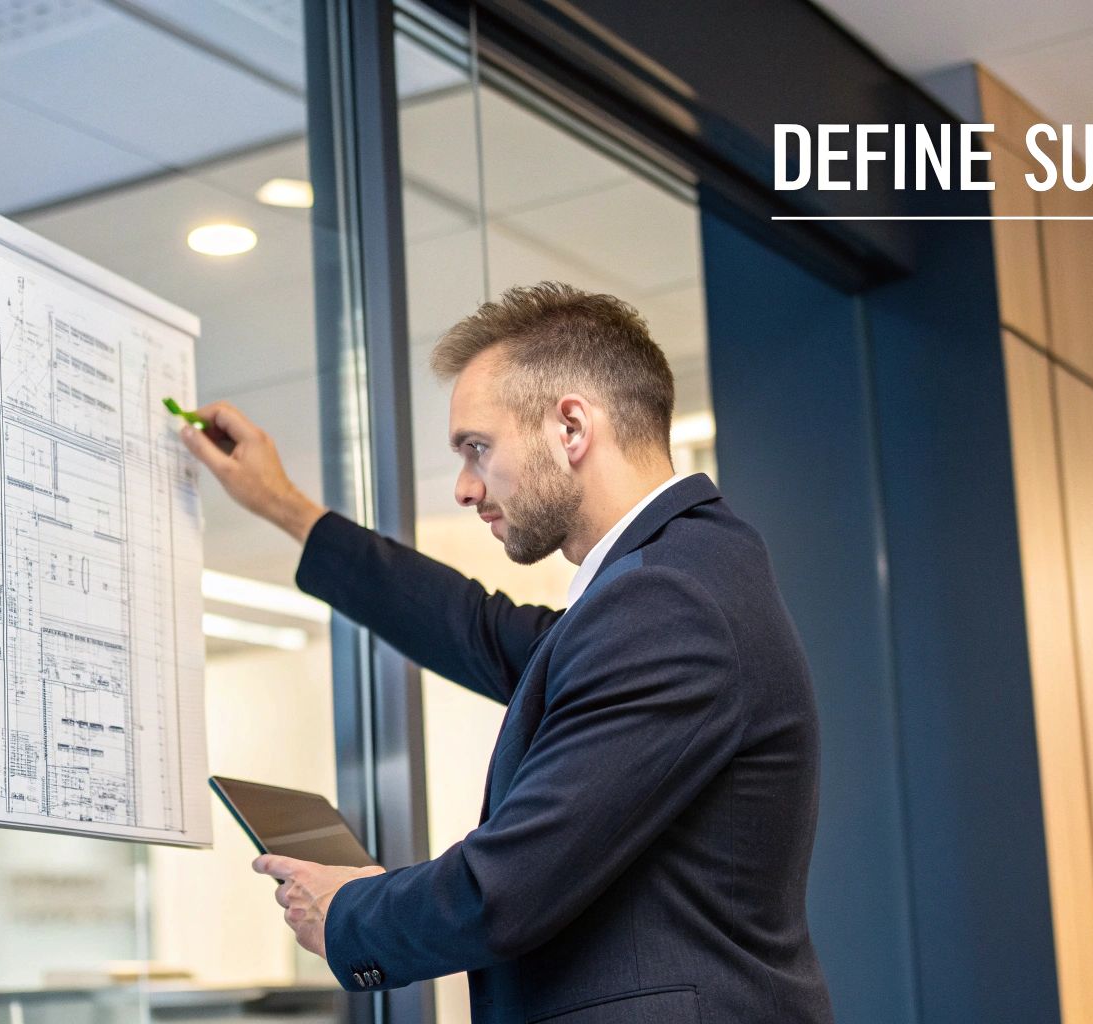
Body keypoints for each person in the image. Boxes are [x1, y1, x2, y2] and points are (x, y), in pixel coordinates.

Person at [179, 282, 835, 1023]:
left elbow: (509, 888)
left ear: (571, 428)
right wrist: (285, 507)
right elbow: (475, 629)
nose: (465, 487)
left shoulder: (667, 603)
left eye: (477, 449)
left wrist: (347, 912)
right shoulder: (672, 579)